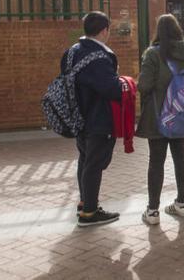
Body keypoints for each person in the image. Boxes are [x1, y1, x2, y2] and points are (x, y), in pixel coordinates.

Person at [136, 14, 184, 225]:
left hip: (158, 115)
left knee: (156, 161)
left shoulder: (153, 54)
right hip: (181, 113)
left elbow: (144, 85)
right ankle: (182, 204)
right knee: (181, 157)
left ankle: (152, 211)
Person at [63, 12, 123, 227]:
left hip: (76, 117)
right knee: (94, 164)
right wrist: (123, 83)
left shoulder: (71, 52)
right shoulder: (99, 57)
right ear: (104, 30)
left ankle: (84, 202)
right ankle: (89, 212)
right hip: (97, 118)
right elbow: (111, 89)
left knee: (85, 160)